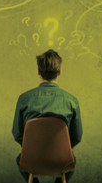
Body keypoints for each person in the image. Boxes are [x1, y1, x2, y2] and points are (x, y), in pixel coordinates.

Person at [12, 49, 83, 183]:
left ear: (38, 71)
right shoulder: (71, 101)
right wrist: (60, 149)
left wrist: (32, 148)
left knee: (20, 159)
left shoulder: (24, 99)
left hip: (31, 159)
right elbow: (77, 136)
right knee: (71, 160)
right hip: (62, 159)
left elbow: (17, 133)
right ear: (59, 72)